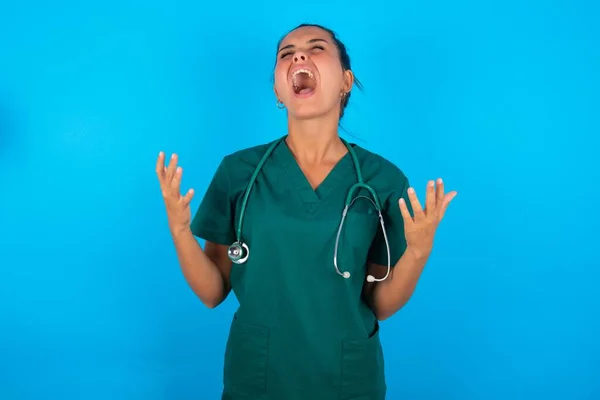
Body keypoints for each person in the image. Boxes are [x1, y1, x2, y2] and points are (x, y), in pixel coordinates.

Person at [156, 23, 457, 400]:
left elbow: (380, 304)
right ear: (278, 90)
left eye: (316, 49)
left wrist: (417, 252)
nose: (299, 56)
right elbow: (213, 291)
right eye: (286, 53)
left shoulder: (382, 181)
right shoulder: (238, 174)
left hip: (347, 381)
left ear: (346, 81)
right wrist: (181, 231)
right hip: (259, 377)